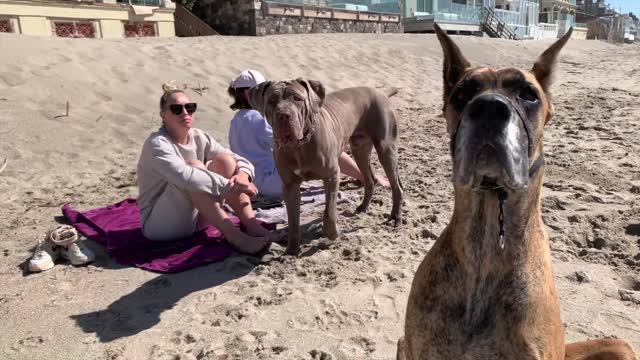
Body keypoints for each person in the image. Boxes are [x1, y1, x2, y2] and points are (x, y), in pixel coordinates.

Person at [137, 81, 279, 255]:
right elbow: (185, 176)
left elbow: (237, 158)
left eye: (189, 107)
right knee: (195, 169)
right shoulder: (157, 144)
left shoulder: (198, 136)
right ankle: (234, 236)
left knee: (225, 161)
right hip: (162, 227)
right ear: (163, 116)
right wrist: (231, 186)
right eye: (176, 109)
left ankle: (252, 226)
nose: (185, 113)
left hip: (198, 220)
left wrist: (243, 175)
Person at [227, 69, 389, 199]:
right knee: (325, 148)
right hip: (274, 182)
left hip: (253, 181)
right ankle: (367, 177)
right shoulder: (260, 118)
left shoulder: (235, 121)